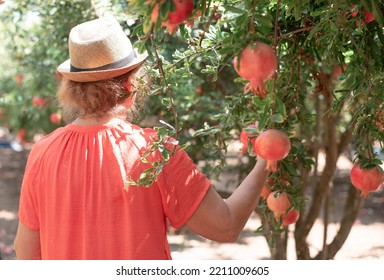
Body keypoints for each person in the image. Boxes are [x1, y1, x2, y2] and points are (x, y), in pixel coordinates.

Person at [14, 17, 269, 260]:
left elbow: (26, 251)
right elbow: (225, 226)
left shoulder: (42, 152)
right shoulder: (154, 151)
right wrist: (266, 159)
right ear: (130, 85)